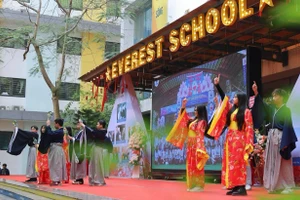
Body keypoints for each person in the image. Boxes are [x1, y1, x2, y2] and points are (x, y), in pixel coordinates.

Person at [208, 75, 254, 196]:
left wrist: (249, 144)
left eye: (235, 97)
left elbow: (249, 128)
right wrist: (217, 85)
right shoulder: (232, 109)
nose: (233, 98)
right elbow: (224, 99)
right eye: (233, 97)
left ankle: (241, 187)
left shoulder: (246, 112)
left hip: (240, 140)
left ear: (241, 99)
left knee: (239, 163)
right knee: (231, 163)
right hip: (230, 139)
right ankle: (234, 186)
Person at [251, 82, 297, 194]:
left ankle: (287, 186)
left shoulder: (286, 109)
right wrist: (256, 93)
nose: (273, 97)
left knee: (283, 161)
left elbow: (288, 126)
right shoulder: (274, 110)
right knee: (273, 162)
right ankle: (276, 185)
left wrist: (285, 142)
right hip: (272, 137)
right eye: (273, 95)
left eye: (276, 95)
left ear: (281, 97)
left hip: (281, 137)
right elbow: (263, 105)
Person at [166, 98, 209, 192]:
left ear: (200, 111)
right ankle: (192, 184)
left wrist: (199, 148)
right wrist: (183, 106)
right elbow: (183, 117)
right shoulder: (193, 120)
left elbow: (200, 135)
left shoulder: (202, 122)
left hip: (196, 145)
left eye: (196, 110)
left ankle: (199, 185)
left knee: (196, 164)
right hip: (190, 145)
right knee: (190, 164)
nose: (194, 111)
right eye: (194, 110)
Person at [80, 120, 107, 186]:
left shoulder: (103, 132)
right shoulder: (98, 131)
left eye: (98, 124)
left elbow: (92, 132)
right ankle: (93, 179)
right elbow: (92, 132)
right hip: (94, 148)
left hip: (98, 149)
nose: (96, 125)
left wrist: (84, 126)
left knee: (98, 164)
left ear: (101, 125)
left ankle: (98, 180)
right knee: (93, 164)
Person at [44, 118, 67, 186]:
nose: (54, 125)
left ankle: (57, 180)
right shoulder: (59, 131)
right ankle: (56, 179)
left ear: (57, 124)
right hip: (55, 148)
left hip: (57, 148)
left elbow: (51, 134)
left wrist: (48, 126)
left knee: (56, 164)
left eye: (55, 123)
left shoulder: (60, 131)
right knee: (54, 164)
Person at [69, 120, 88, 185]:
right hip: (77, 149)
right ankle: (78, 178)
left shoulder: (83, 132)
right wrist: (72, 138)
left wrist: (73, 139)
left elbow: (80, 141)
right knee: (77, 165)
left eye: (78, 124)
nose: (77, 125)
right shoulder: (79, 132)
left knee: (80, 165)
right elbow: (76, 139)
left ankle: (80, 179)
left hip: (80, 150)